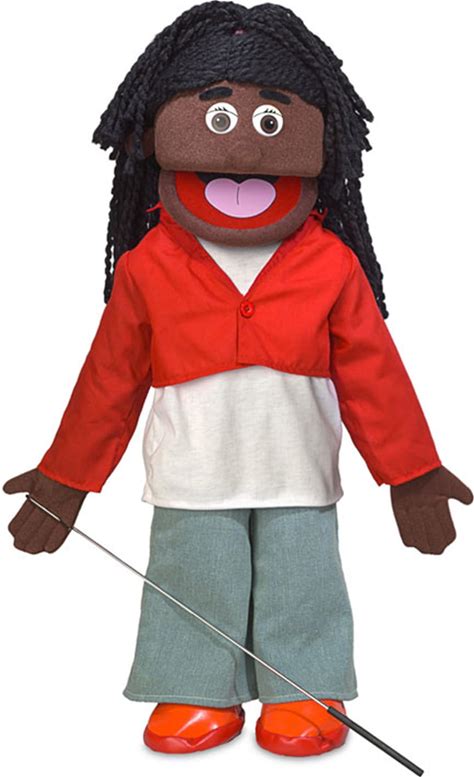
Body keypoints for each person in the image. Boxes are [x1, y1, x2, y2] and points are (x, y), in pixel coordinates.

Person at [4, 0, 472, 758]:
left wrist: (410, 472)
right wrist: (66, 479)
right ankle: (196, 690)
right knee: (192, 579)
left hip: (299, 470)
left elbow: (373, 374)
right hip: (191, 470)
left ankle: (305, 692)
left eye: (272, 119)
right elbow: (108, 382)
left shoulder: (331, 263)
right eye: (216, 116)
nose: (245, 147)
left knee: (304, 583)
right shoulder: (148, 266)